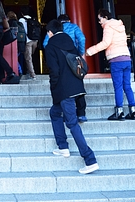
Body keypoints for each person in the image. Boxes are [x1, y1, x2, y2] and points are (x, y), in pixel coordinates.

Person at [45, 19, 99, 174]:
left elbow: (54, 71)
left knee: (72, 123)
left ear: (50, 32)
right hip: (77, 86)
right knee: (55, 113)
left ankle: (90, 159)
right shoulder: (70, 43)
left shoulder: (50, 47)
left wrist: (55, 89)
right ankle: (63, 146)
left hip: (64, 90)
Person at [86, 9, 135, 121]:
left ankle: (119, 111)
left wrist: (90, 51)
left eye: (100, 19)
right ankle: (133, 110)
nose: (99, 22)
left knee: (118, 86)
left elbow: (106, 43)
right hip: (126, 58)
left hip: (116, 60)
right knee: (127, 86)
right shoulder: (120, 26)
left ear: (105, 17)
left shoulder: (108, 27)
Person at [43, 14, 88, 123]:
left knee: (65, 86)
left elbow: (45, 43)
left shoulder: (53, 31)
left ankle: (66, 113)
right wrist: (80, 53)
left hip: (61, 62)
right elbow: (82, 39)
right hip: (73, 58)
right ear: (68, 20)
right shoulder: (74, 27)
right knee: (78, 84)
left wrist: (53, 54)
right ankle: (81, 113)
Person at [19, 6, 38, 80]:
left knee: (28, 58)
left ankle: (33, 75)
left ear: (22, 13)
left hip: (27, 41)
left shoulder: (21, 20)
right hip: (35, 40)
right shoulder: (33, 19)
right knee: (31, 57)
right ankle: (29, 72)